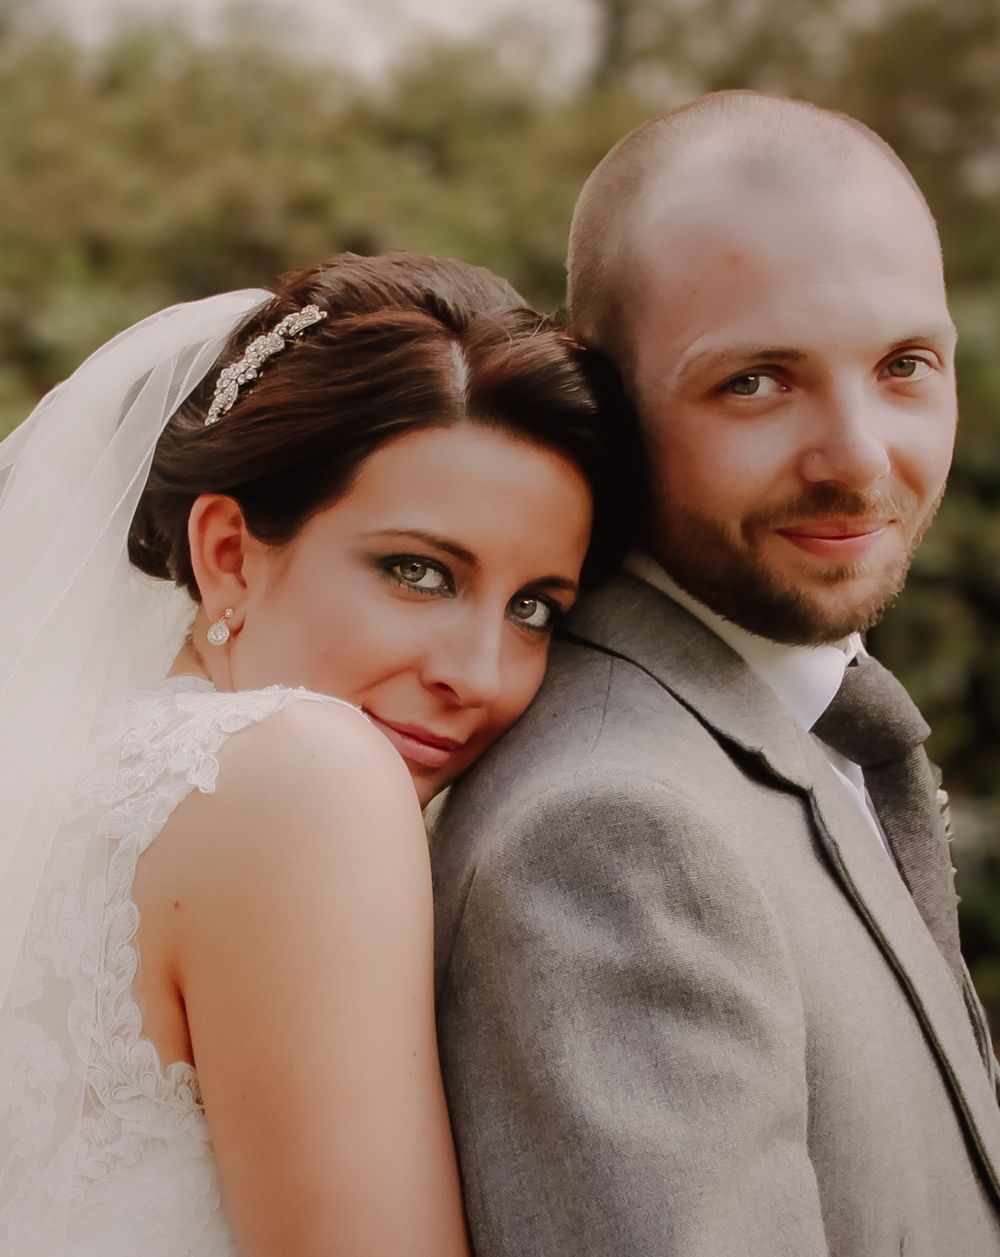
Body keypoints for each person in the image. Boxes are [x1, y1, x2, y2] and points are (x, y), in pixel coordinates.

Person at [431, 92, 1000, 1255]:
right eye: (755, 381)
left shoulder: (791, 720)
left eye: (904, 365)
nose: (857, 459)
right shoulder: (610, 836)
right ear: (603, 402)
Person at [0, 250, 639, 1256]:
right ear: (228, 554)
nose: (477, 672)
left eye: (532, 608)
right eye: (418, 572)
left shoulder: (58, 795)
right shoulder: (302, 773)